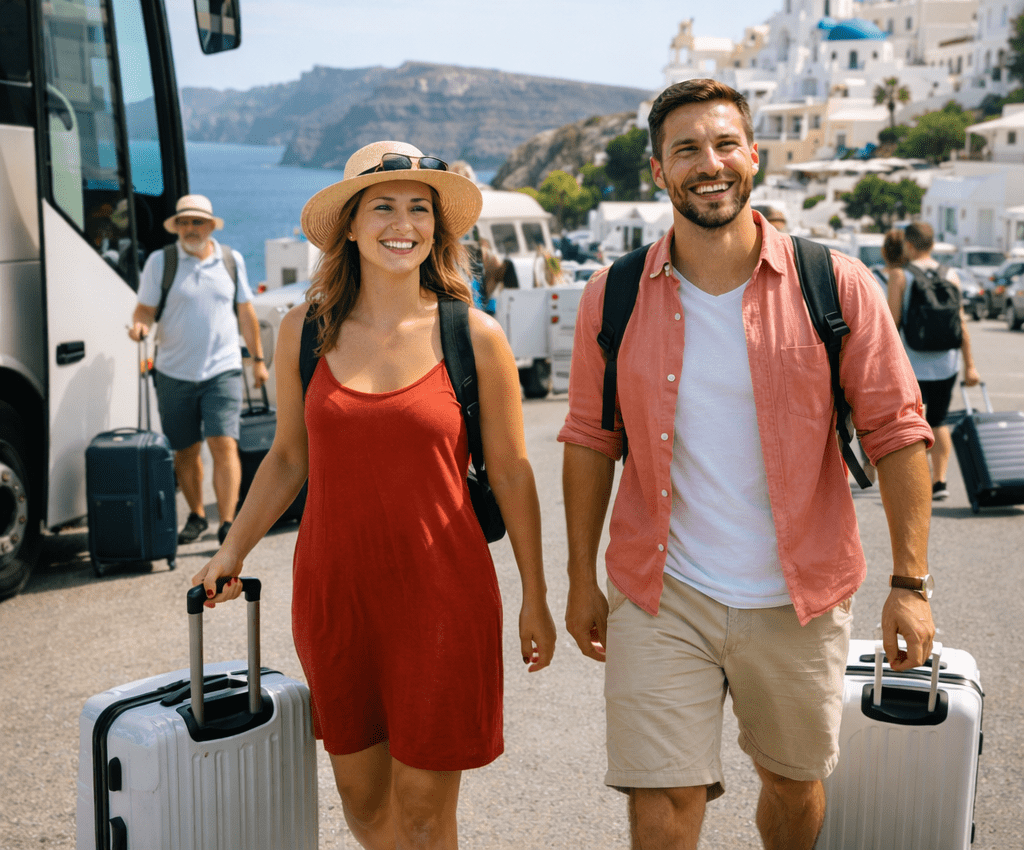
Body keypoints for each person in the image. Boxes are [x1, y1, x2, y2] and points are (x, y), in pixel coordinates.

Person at [559, 79, 936, 850]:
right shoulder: (615, 294)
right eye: (687, 150)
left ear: (753, 157)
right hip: (663, 592)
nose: (710, 164)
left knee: (794, 792)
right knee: (662, 811)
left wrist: (910, 584)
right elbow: (592, 439)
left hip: (799, 592)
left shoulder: (835, 284)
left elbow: (899, 431)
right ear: (658, 172)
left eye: (725, 145)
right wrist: (577, 579)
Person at [193, 141, 556, 850]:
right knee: (362, 804)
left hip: (442, 599)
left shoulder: (473, 335)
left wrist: (535, 596)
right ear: (350, 227)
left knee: (423, 816)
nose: (403, 222)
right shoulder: (305, 331)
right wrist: (229, 549)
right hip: (338, 596)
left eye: (419, 208)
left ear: (437, 228)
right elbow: (288, 458)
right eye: (382, 206)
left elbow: (511, 471)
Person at [128, 194, 268, 545]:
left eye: (197, 222)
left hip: (223, 369)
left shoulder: (230, 260)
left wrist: (259, 362)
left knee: (224, 443)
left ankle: (227, 522)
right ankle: (197, 515)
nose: (191, 228)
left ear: (210, 226)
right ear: (176, 227)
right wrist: (139, 327)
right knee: (185, 450)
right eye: (184, 222)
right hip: (173, 371)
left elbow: (246, 314)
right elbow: (144, 309)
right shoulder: (161, 262)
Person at [887, 221, 980, 502]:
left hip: (912, 364)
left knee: (912, 423)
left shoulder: (900, 276)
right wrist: (970, 365)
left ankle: (918, 481)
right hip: (946, 363)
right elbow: (960, 323)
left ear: (909, 245)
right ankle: (939, 482)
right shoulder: (952, 274)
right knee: (939, 420)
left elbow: (891, 324)